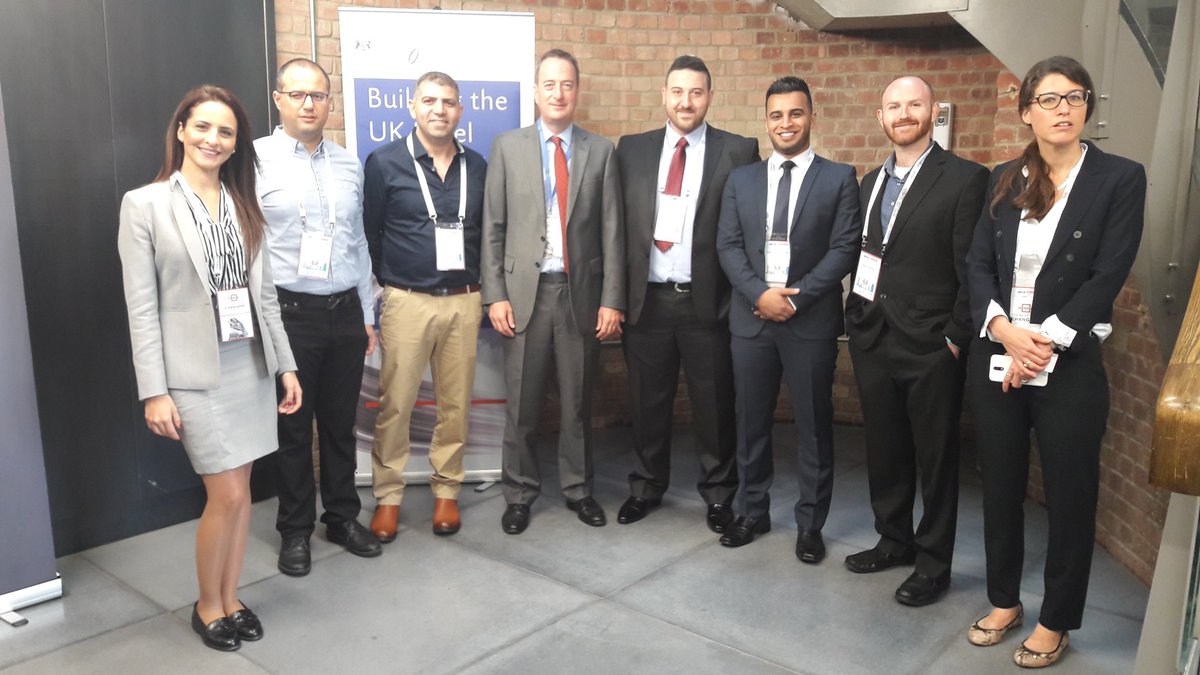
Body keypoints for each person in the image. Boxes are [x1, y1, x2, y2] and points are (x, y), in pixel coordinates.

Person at [964, 55, 1145, 668]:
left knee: (1070, 495)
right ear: (1027, 112)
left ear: (1087, 106)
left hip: (1067, 363)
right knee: (1000, 487)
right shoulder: (1003, 178)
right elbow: (978, 264)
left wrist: (1039, 343)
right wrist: (1003, 331)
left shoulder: (1119, 178)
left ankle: (1056, 619)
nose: (1063, 108)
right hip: (999, 354)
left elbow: (1108, 273)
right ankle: (1003, 601)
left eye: (1074, 97)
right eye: (1048, 99)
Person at [117, 85, 302, 651]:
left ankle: (231, 597)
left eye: (225, 131)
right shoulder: (144, 204)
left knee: (241, 494)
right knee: (225, 495)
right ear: (181, 131)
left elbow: (264, 296)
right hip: (193, 374)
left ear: (236, 142)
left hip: (249, 364)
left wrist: (286, 366)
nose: (212, 139)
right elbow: (141, 308)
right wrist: (154, 391)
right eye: (202, 127)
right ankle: (207, 605)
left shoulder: (245, 203)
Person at [843, 76, 989, 606]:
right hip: (873, 337)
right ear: (880, 117)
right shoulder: (869, 182)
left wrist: (955, 337)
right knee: (885, 449)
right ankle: (893, 540)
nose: (904, 113)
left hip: (931, 344)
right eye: (894, 106)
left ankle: (933, 564)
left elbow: (974, 265)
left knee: (936, 458)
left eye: (914, 104)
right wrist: (857, 318)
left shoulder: (966, 179)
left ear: (932, 113)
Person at [715, 76, 859, 560]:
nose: (786, 123)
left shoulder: (839, 178)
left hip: (809, 322)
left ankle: (810, 524)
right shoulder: (742, 180)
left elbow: (844, 249)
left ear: (811, 116)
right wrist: (759, 293)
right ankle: (751, 511)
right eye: (776, 115)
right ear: (766, 120)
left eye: (796, 113)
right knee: (750, 422)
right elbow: (728, 245)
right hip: (751, 320)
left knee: (814, 426)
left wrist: (795, 300)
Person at [482, 49, 625, 534]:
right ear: (535, 91)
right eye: (549, 84)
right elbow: (493, 227)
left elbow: (612, 232)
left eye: (566, 84)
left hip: (578, 293)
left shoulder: (600, 151)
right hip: (523, 294)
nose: (558, 93)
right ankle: (519, 493)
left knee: (577, 403)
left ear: (577, 91)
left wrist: (612, 299)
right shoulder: (508, 147)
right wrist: (495, 295)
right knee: (522, 404)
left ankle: (579, 490)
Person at [615, 55, 758, 531]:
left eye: (696, 92)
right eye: (677, 92)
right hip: (647, 302)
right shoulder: (631, 150)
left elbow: (748, 230)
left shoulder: (738, 151)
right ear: (664, 95)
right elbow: (617, 229)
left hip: (707, 305)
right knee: (646, 404)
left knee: (714, 406)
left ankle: (718, 495)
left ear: (710, 97)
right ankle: (645, 487)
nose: (686, 101)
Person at [256, 58, 381, 577]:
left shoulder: (350, 165)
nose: (309, 104)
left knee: (339, 424)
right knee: (293, 427)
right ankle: (295, 530)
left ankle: (342, 517)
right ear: (278, 99)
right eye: (298, 94)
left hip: (345, 312)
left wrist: (367, 313)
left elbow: (358, 243)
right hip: (290, 314)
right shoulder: (254, 160)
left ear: (330, 102)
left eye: (319, 95)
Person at [364, 71, 487, 539]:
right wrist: (393, 284)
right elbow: (371, 233)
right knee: (396, 404)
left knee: (455, 405)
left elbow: (485, 233)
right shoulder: (384, 162)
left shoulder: (478, 166)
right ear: (413, 107)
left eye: (448, 102)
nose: (440, 109)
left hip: (463, 302)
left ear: (460, 111)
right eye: (430, 100)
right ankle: (388, 496)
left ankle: (447, 491)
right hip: (407, 302)